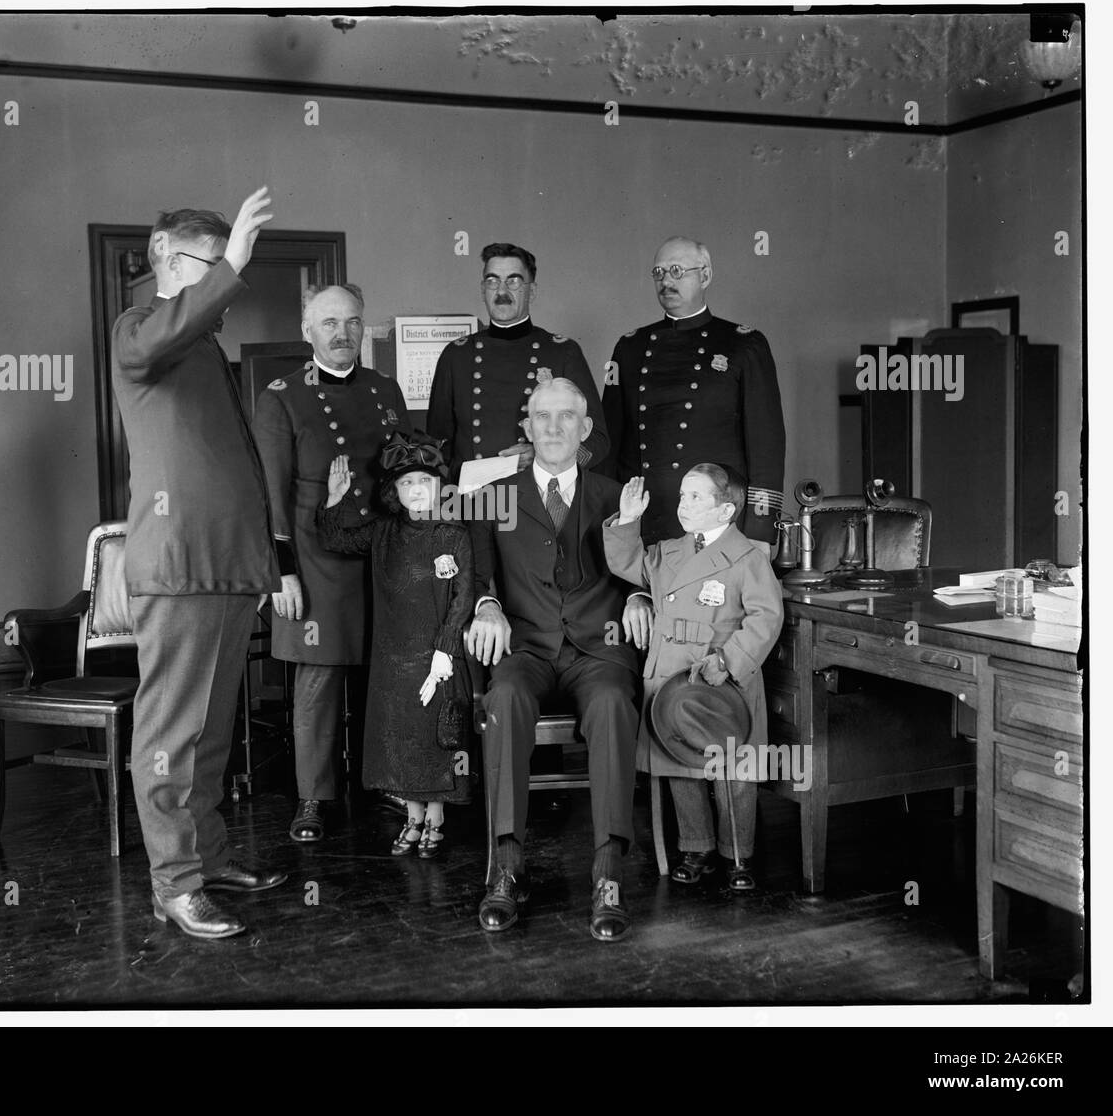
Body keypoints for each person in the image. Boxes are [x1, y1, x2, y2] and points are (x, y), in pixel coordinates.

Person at [111, 189, 287, 941]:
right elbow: (157, 339)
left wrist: (265, 563)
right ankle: (173, 885)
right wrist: (237, 263)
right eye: (212, 267)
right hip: (180, 564)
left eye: (228, 265)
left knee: (212, 734)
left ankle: (206, 858)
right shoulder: (139, 329)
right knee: (170, 734)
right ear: (164, 261)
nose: (226, 284)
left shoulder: (202, 346)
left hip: (226, 567)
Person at [467, 377, 651, 942]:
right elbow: (476, 573)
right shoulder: (493, 496)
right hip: (525, 646)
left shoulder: (615, 495)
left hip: (599, 648)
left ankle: (608, 870)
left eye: (564, 417)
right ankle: (506, 864)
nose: (551, 428)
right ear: (525, 427)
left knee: (615, 703)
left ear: (584, 428)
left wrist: (643, 595)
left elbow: (650, 565)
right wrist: (488, 604)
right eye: (540, 417)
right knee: (504, 697)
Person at [254, 283, 410, 842]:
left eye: (351, 323)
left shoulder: (384, 388)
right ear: (307, 332)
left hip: (383, 550)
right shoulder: (283, 397)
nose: (342, 334)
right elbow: (269, 491)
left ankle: (381, 779)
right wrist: (281, 570)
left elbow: (405, 469)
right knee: (319, 677)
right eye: (328, 323)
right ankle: (314, 797)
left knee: (384, 669)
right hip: (316, 555)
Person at [604, 463, 784, 891]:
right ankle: (696, 847)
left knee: (733, 772)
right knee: (679, 762)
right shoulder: (668, 552)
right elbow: (626, 562)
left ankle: (737, 855)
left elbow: (766, 617)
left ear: (726, 511)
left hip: (721, 674)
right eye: (683, 496)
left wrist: (731, 661)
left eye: (697, 497)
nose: (684, 505)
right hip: (671, 674)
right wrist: (628, 519)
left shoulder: (749, 556)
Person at [316, 432, 473, 857]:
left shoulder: (453, 535)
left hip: (435, 657)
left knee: (432, 739)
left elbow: (463, 597)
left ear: (438, 485)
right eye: (406, 484)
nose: (416, 490)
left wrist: (445, 651)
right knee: (401, 738)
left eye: (423, 481)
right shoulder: (383, 533)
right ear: (394, 491)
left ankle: (435, 818)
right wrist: (335, 499)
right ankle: (413, 817)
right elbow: (335, 538)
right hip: (392, 657)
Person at [602, 236, 786, 548]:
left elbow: (767, 446)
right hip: (647, 517)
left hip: (718, 523)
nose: (666, 281)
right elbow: (609, 441)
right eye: (658, 273)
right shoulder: (628, 348)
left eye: (677, 271)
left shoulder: (744, 344)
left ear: (705, 276)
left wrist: (760, 533)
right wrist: (611, 518)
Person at [428, 242, 610, 482]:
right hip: (474, 504)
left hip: (538, 501)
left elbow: (597, 439)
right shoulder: (456, 355)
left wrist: (546, 456)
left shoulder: (562, 352)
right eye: (492, 281)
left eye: (513, 281)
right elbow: (435, 445)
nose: (502, 291)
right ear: (483, 289)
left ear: (532, 291)